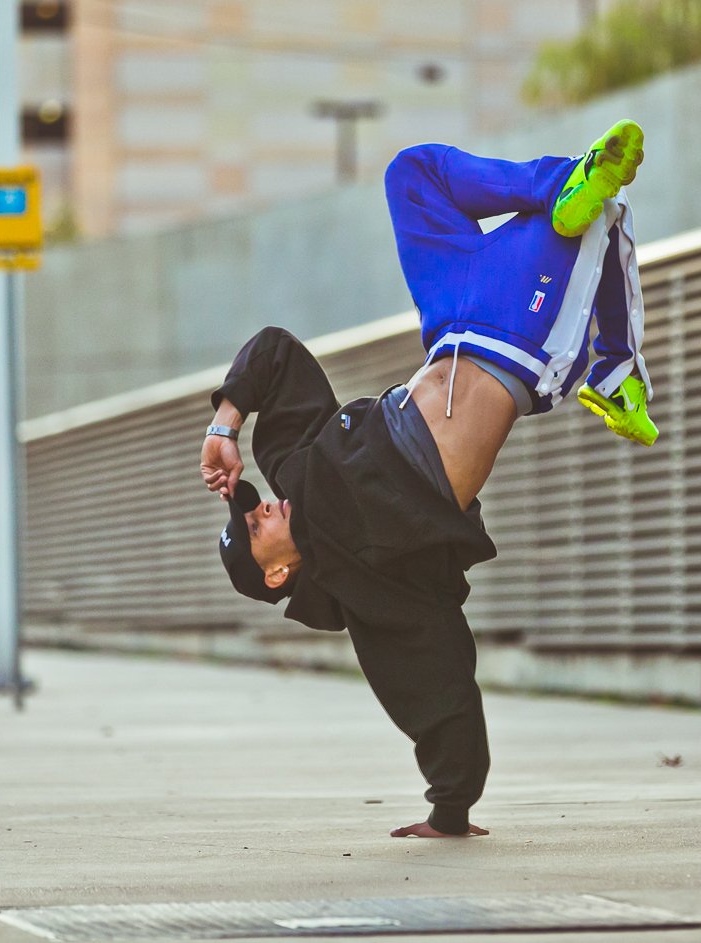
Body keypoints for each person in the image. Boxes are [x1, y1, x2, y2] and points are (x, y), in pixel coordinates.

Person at [199, 121, 656, 839]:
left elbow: (275, 353)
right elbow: (438, 693)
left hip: (451, 317)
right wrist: (450, 813)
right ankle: (618, 370)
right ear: (280, 573)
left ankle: (561, 185)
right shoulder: (369, 587)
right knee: (593, 211)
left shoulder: (289, 462)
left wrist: (225, 425)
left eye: (250, 510)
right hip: (511, 343)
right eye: (255, 529)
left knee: (411, 174)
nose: (261, 510)